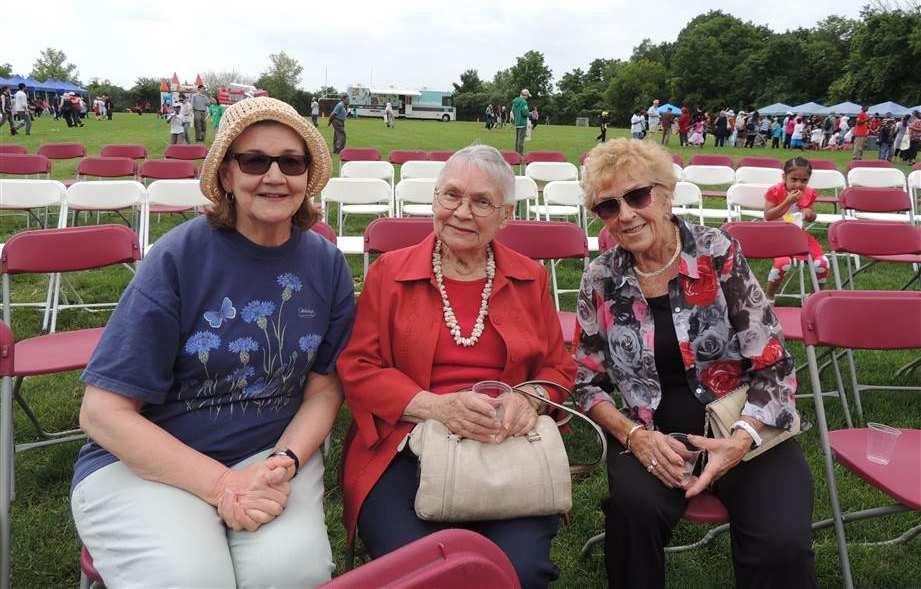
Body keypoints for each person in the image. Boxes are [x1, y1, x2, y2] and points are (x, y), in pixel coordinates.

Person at [70, 96, 354, 588]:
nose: (274, 175)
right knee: (192, 579)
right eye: (253, 160)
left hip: (268, 455)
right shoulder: (179, 257)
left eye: (291, 162)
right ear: (225, 176)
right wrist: (223, 485)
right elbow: (101, 413)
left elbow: (324, 389)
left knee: (292, 574)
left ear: (308, 176)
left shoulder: (327, 266)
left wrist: (283, 462)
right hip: (148, 462)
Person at [574, 138, 817, 589]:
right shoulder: (600, 278)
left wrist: (741, 439)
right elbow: (587, 383)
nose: (625, 214)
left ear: (665, 194)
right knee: (632, 516)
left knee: (781, 544)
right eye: (608, 206)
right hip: (651, 436)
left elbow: (773, 361)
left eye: (637, 196)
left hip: (744, 425)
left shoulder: (717, 253)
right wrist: (635, 437)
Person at [337, 144, 576, 589]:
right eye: (451, 196)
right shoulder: (389, 273)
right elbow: (359, 366)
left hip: (505, 443)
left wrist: (532, 397)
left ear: (505, 216)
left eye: (481, 201)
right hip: (404, 440)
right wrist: (437, 408)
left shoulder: (531, 278)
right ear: (434, 201)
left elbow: (559, 368)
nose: (462, 212)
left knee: (517, 571)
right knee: (424, 570)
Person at [762, 157, 828, 301]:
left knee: (822, 263)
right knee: (783, 264)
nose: (798, 184)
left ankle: (816, 296)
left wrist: (810, 214)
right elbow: (768, 216)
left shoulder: (809, 193)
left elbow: (811, 213)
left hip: (797, 233)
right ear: (784, 177)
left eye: (804, 181)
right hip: (775, 232)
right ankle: (769, 296)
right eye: (794, 179)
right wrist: (788, 201)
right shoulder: (774, 191)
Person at [512, 89, 530, 155]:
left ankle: (516, 154)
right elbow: (525, 113)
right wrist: (530, 114)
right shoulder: (524, 102)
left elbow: (513, 111)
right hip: (522, 122)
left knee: (517, 139)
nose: (527, 97)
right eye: (527, 96)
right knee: (521, 140)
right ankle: (520, 154)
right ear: (525, 95)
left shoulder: (515, 101)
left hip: (517, 122)